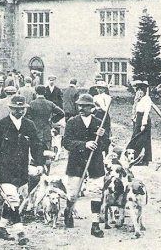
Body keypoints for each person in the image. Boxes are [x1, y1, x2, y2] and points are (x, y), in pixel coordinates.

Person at [0, 95, 46, 245]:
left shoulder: (29, 125)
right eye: (16, 109)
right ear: (10, 108)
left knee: (12, 199)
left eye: (22, 109)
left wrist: (40, 163)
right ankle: (20, 232)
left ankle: (2, 229)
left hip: (21, 170)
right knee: (12, 199)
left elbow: (36, 145)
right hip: (4, 170)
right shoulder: (0, 125)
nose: (19, 112)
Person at [62, 94, 110, 237]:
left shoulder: (99, 123)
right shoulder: (72, 122)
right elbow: (67, 143)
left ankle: (95, 225)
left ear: (92, 107)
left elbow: (105, 145)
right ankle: (68, 212)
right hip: (76, 162)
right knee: (73, 193)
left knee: (96, 192)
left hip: (94, 162)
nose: (82, 108)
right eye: (80, 105)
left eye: (85, 106)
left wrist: (103, 136)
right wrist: (84, 145)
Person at [26, 85, 65, 152]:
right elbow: (62, 113)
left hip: (35, 129)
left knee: (35, 150)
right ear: (45, 92)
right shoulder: (50, 103)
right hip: (46, 129)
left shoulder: (32, 104)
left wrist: (31, 122)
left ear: (36, 92)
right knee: (47, 150)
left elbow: (26, 116)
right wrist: (52, 120)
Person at [126, 80, 153, 166]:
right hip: (138, 120)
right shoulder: (138, 100)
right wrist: (134, 119)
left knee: (141, 140)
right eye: (138, 90)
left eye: (142, 90)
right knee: (139, 138)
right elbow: (135, 111)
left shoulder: (147, 99)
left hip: (143, 120)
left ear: (145, 91)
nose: (140, 92)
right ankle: (143, 159)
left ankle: (141, 159)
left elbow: (146, 112)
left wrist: (143, 124)